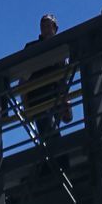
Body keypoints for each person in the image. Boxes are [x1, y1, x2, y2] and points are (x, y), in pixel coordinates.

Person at [20, 14, 72, 143]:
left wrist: (66, 102)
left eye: (48, 25)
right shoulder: (32, 48)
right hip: (39, 98)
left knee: (50, 133)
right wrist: (26, 105)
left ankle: (49, 161)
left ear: (55, 28)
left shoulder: (61, 48)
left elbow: (64, 78)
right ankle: (58, 160)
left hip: (56, 97)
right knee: (50, 134)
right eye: (43, 26)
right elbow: (23, 79)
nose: (45, 28)